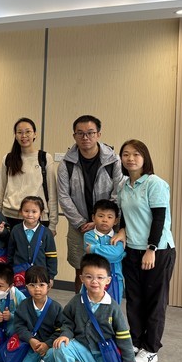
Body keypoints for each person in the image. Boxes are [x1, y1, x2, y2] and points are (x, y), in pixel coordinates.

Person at [112, 139, 176, 362]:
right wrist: (122, 230)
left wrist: (151, 249)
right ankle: (136, 341)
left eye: (136, 154)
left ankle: (151, 348)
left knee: (155, 301)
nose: (130, 158)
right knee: (135, 300)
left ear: (145, 157)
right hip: (132, 250)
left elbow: (159, 219)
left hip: (157, 251)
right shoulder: (124, 186)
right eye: (126, 154)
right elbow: (125, 216)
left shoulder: (155, 183)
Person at [52, 254, 136, 362]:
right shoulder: (76, 301)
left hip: (103, 355)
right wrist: (65, 334)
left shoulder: (113, 307)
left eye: (100, 277)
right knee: (61, 346)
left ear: (108, 280)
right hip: (81, 347)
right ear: (82, 278)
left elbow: (124, 338)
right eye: (89, 277)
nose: (94, 281)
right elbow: (67, 321)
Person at [57, 115, 123, 292]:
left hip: (107, 224)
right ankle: (81, 305)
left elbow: (118, 193)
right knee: (81, 269)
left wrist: (100, 220)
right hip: (79, 226)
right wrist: (81, 223)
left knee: (107, 269)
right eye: (80, 133)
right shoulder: (66, 163)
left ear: (98, 134)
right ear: (74, 136)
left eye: (90, 133)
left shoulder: (113, 161)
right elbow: (63, 196)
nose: (85, 137)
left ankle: (106, 305)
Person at [0, 118, 59, 234]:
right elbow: (1, 190)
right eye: (20, 132)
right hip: (10, 216)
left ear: (35, 134)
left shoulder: (44, 158)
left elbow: (52, 194)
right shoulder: (8, 159)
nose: (24, 136)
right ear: (15, 135)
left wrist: (53, 224)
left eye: (28, 132)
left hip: (37, 217)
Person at [13, 266, 63, 362]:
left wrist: (47, 344)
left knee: (57, 352)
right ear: (26, 287)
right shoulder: (24, 305)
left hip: (50, 347)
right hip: (33, 346)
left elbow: (60, 330)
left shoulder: (56, 308)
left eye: (41, 285)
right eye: (32, 285)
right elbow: (19, 326)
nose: (37, 289)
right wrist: (31, 340)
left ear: (49, 286)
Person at [6, 196, 58, 290]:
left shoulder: (46, 233)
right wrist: (9, 273)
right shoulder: (15, 230)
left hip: (40, 276)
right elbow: (10, 254)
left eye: (34, 212)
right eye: (26, 211)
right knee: (19, 296)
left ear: (41, 213)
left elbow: (52, 256)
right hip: (19, 275)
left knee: (37, 296)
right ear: (21, 211)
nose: (30, 214)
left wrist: (51, 276)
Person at [84, 200, 125, 304]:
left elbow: (117, 253)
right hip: (93, 279)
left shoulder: (118, 237)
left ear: (116, 220)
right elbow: (112, 256)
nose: (105, 220)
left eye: (110, 217)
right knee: (90, 306)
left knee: (113, 307)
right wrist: (115, 255)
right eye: (101, 216)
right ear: (93, 218)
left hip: (115, 278)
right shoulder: (89, 235)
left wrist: (93, 248)